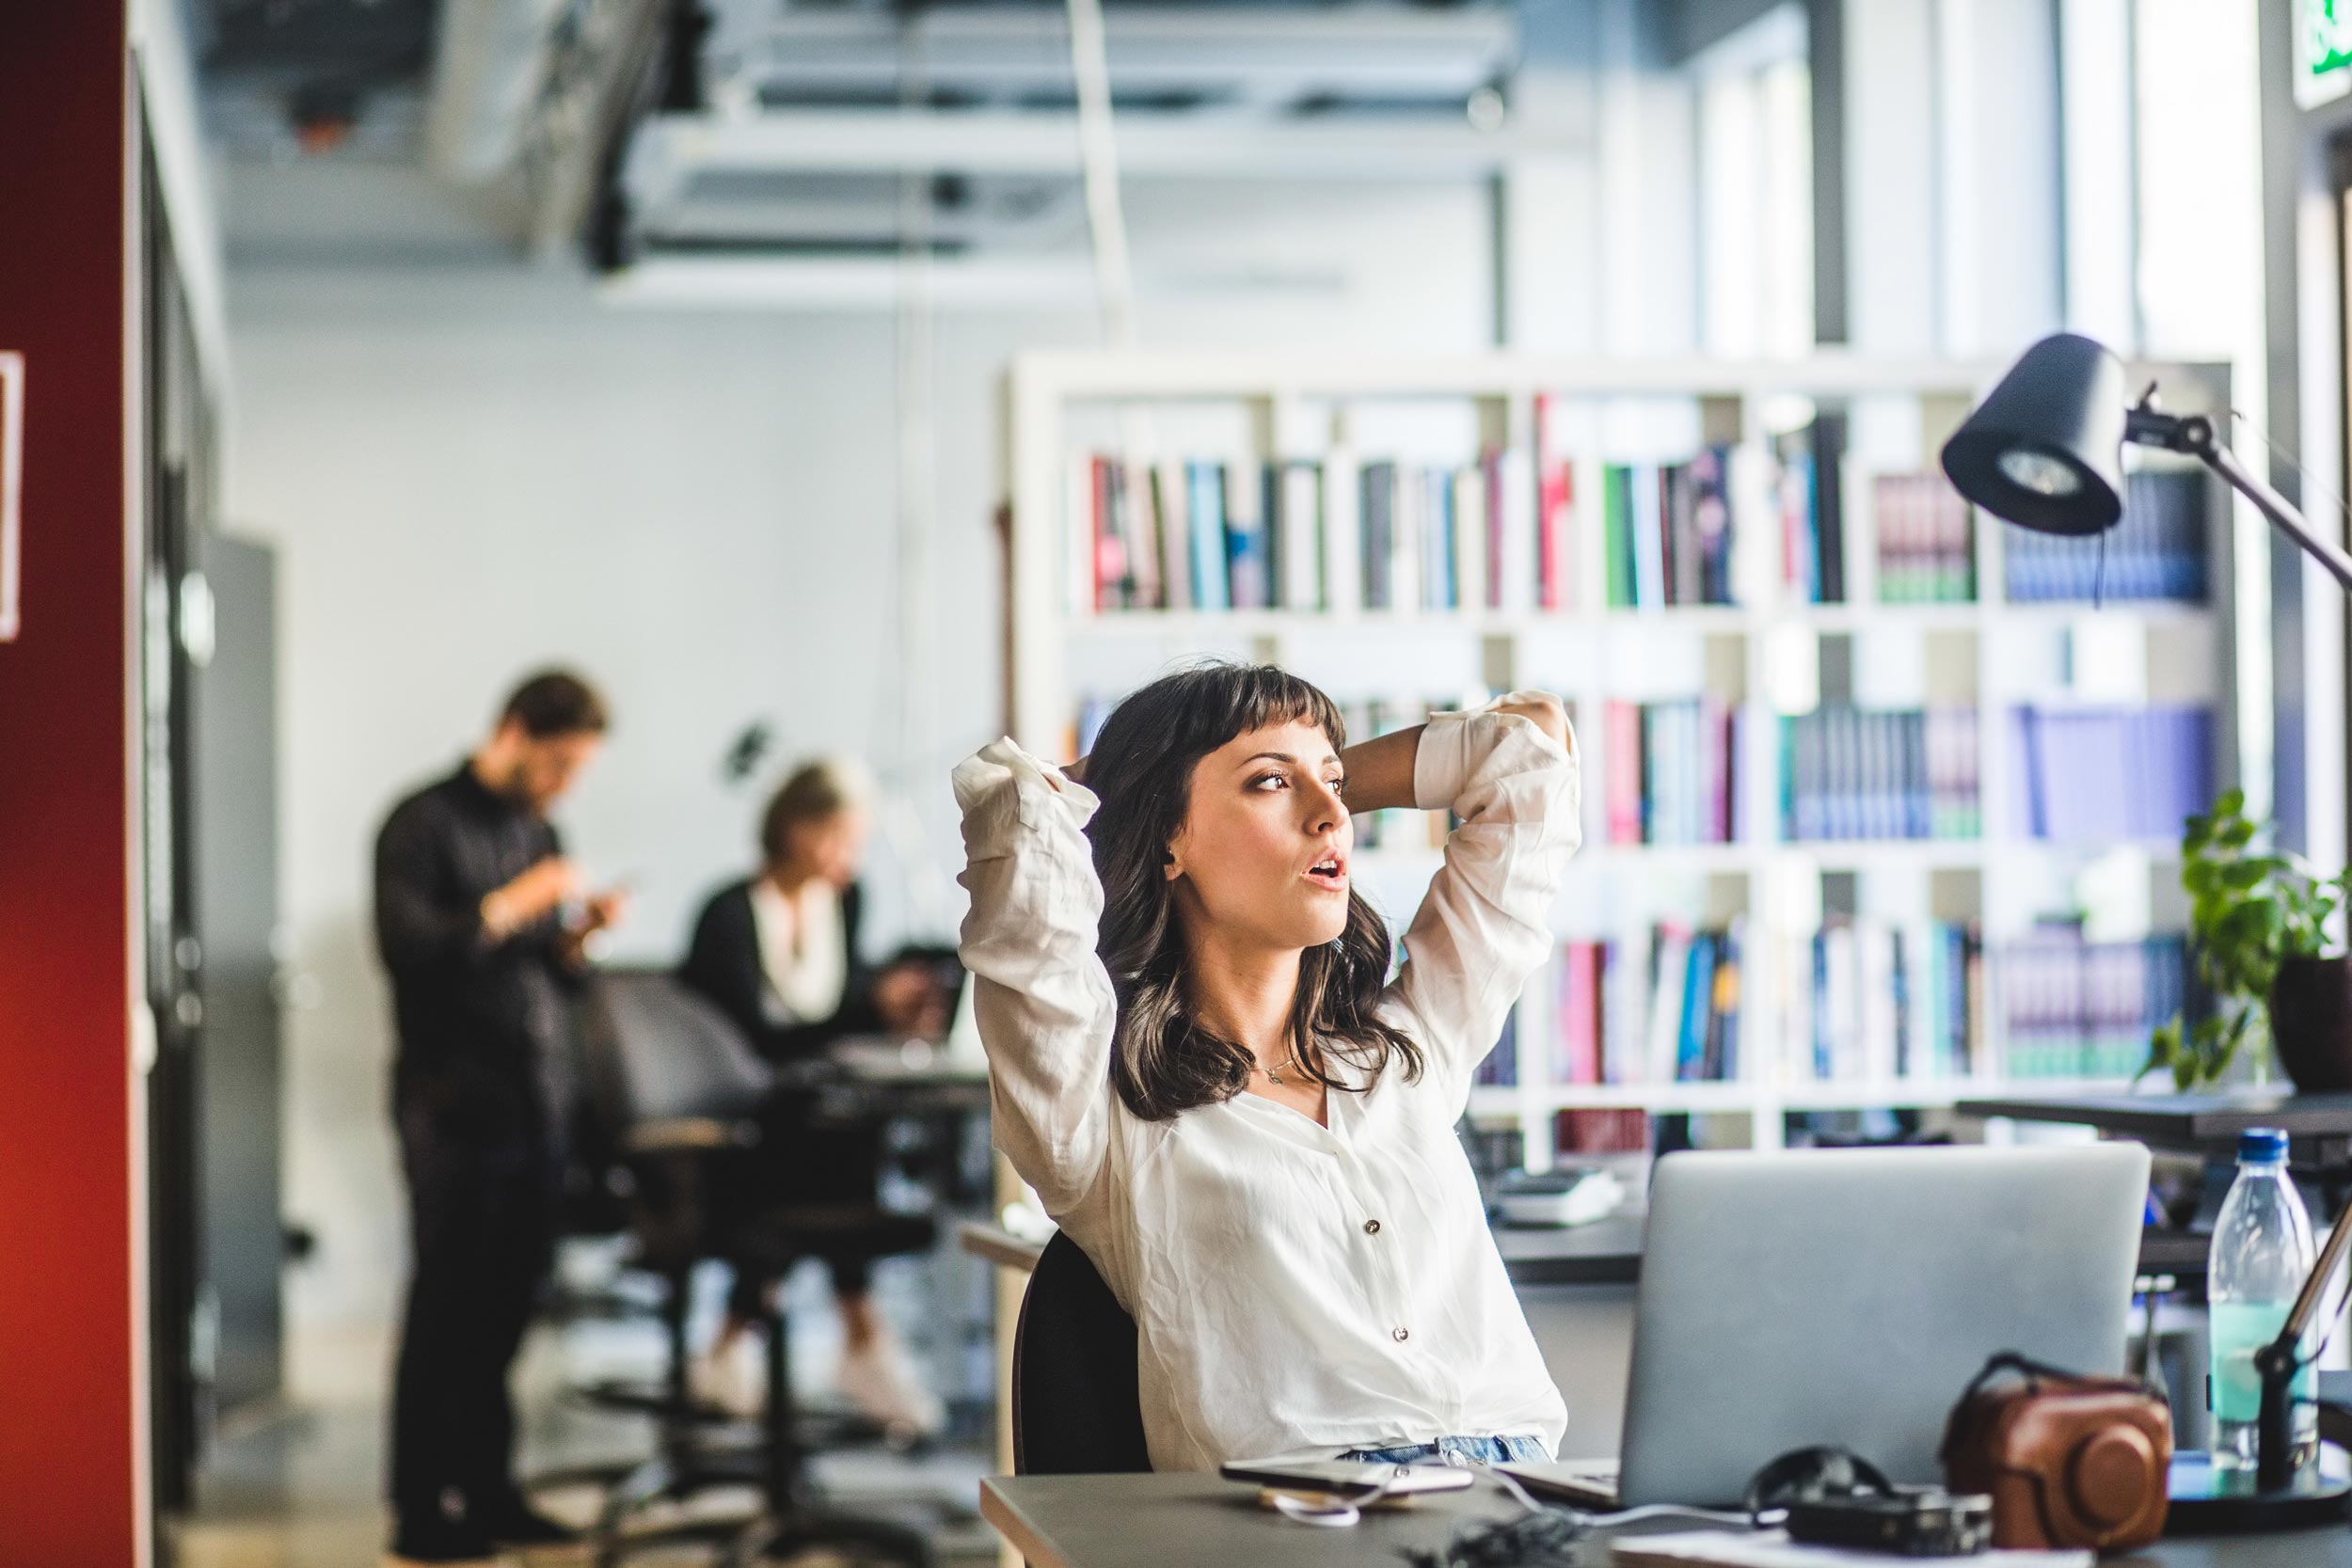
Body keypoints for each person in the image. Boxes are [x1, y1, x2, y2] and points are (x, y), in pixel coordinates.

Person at [953, 662, 1579, 1471]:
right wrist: (1130, 782)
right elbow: (1014, 806)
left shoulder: (1406, 1052)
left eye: (1338, 783)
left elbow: (1527, 752)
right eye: (1272, 783)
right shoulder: (1103, 1122)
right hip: (1298, 1524)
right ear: (1169, 837)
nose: (1332, 817)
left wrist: (1305, 785)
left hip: (1518, 1496)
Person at [373, 670, 628, 1562]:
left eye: (576, 769)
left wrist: (576, 936)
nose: (564, 783)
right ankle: (418, 1506)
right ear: (515, 731)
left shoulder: (540, 828)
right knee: (446, 1303)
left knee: (511, 1308)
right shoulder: (420, 824)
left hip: (536, 1101)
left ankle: (488, 1490)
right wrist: (515, 902)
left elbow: (543, 975)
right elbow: (410, 952)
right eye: (557, 762)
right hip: (450, 1103)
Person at [678, 758, 949, 1438]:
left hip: (807, 1117)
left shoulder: (846, 902)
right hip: (737, 1117)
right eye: (841, 838)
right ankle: (860, 1336)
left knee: (839, 1122)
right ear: (799, 831)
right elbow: (752, 1040)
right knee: (829, 1138)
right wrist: (864, 1010)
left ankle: (742, 1335)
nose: (849, 858)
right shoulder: (728, 915)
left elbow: (841, 1006)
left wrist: (886, 1006)